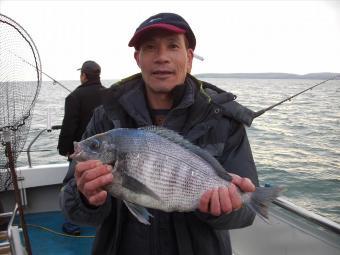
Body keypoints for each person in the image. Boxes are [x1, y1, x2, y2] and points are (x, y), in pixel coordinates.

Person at [60, 13, 259, 255]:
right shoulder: (104, 117)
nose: (161, 57)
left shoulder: (224, 120)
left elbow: (247, 212)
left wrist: (227, 209)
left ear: (189, 57)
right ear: (138, 58)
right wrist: (84, 197)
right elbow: (72, 205)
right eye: (150, 47)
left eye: (173, 46)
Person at [58, 60, 104, 235]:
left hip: (83, 152)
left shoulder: (74, 97)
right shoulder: (110, 95)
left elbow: (69, 126)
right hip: (108, 153)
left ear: (84, 76)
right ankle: (105, 224)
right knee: (105, 184)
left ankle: (72, 225)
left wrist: (65, 150)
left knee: (71, 184)